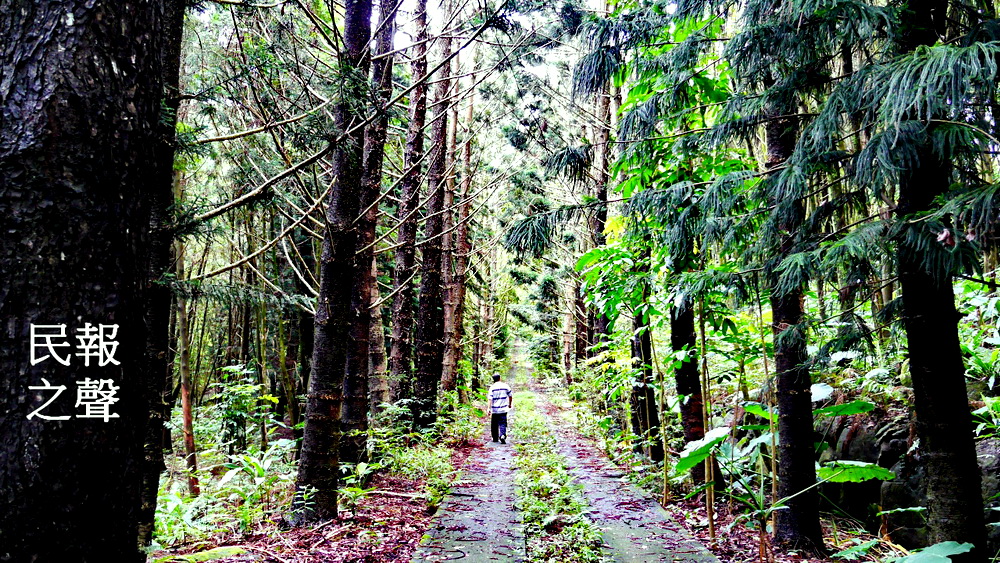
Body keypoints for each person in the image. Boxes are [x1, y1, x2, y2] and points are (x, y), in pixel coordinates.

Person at [487, 373, 512, 443]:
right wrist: (509, 404)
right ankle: (502, 435)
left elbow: (490, 399)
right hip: (503, 409)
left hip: (495, 410)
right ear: (500, 378)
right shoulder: (505, 386)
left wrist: (488, 408)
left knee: (494, 424)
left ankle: (495, 438)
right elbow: (510, 395)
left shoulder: (492, 388)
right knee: (503, 423)